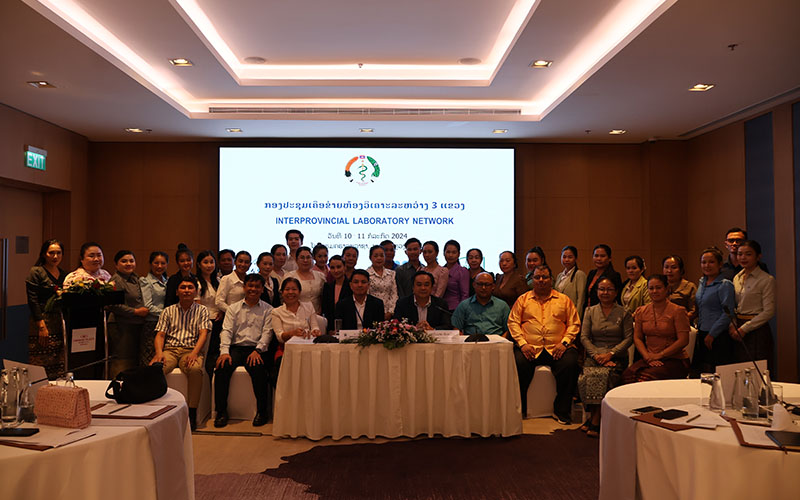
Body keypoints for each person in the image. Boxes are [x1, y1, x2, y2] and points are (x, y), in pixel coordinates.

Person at [508, 265, 581, 424]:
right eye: (537, 277)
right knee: (517, 362)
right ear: (532, 280)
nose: (541, 280)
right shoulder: (523, 299)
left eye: (545, 277)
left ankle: (561, 410)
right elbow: (513, 323)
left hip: (557, 348)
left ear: (551, 280)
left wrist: (564, 343)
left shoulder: (564, 300)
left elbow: (574, 324)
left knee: (570, 363)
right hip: (529, 348)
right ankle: (521, 408)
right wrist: (522, 344)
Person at [213, 273, 274, 428]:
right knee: (222, 368)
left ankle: (262, 412)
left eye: (257, 287)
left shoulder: (268, 309)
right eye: (250, 286)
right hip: (236, 348)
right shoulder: (233, 308)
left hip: (256, 349)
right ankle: (221, 412)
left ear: (262, 289)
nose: (253, 289)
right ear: (244, 287)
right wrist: (224, 352)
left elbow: (267, 333)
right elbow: (226, 331)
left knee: (259, 369)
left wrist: (258, 350)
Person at [150, 275, 209, 431]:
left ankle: (192, 412)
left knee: (195, 370)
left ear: (196, 291)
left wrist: (195, 353)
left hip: (191, 350)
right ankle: (158, 411)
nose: (186, 291)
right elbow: (160, 334)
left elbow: (203, 334)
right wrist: (159, 353)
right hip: (170, 350)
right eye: (183, 288)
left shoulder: (202, 310)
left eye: (190, 288)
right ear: (177, 292)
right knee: (156, 369)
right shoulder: (168, 311)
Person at [578, 277, 633, 437]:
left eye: (609, 289)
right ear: (597, 292)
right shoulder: (590, 311)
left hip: (616, 356)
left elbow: (628, 338)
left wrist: (610, 354)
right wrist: (597, 355)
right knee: (586, 377)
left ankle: (594, 419)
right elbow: (584, 337)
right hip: (594, 355)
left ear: (616, 292)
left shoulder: (624, 312)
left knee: (605, 376)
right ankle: (596, 416)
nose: (605, 293)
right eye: (601, 289)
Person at [622, 274, 690, 383]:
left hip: (675, 359)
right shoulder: (641, 311)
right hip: (649, 357)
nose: (654, 291)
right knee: (628, 375)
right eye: (651, 288)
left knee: (646, 378)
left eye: (658, 288)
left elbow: (683, 340)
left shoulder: (678, 311)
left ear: (667, 289)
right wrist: (647, 356)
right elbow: (637, 338)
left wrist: (659, 355)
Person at [730, 240, 776, 369]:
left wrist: (745, 329)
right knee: (739, 370)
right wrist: (732, 325)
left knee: (758, 370)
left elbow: (769, 311)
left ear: (758, 256)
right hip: (737, 329)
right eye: (740, 254)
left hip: (757, 330)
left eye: (748, 254)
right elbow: (733, 305)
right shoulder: (736, 278)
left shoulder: (766, 280)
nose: (743, 258)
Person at [26, 239, 66, 379]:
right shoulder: (36, 271)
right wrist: (41, 325)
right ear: (44, 254)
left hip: (60, 321)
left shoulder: (64, 274)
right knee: (41, 359)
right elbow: (32, 299)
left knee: (59, 360)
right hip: (42, 319)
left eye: (58, 253)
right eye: (51, 253)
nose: (55, 256)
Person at [692, 247, 736, 376]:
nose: (707, 265)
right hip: (702, 332)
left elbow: (727, 313)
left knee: (718, 373)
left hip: (718, 335)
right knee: (703, 372)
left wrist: (712, 334)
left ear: (720, 264)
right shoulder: (702, 282)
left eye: (711, 262)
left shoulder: (725, 284)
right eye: (703, 262)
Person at [107, 250, 149, 376]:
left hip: (136, 325)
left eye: (131, 261)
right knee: (122, 362)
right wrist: (135, 312)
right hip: (121, 326)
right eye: (124, 261)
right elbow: (113, 305)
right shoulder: (116, 280)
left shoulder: (135, 278)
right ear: (116, 264)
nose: (128, 263)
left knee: (133, 361)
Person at [272, 277, 321, 378]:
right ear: (282, 292)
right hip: (286, 349)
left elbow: (315, 326)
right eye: (287, 289)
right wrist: (291, 333)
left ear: (299, 292)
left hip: (308, 347)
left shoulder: (308, 306)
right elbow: (279, 337)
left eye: (294, 289)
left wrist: (316, 331)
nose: (291, 292)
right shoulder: (276, 312)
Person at [451, 272, 510, 336]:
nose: (483, 287)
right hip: (471, 342)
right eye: (480, 284)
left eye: (487, 284)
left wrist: (502, 342)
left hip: (497, 342)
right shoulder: (464, 305)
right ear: (474, 285)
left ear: (493, 286)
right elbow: (456, 328)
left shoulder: (502, 306)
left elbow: (509, 329)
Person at [195, 250, 223, 380]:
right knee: (206, 355)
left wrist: (222, 312)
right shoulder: (197, 282)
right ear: (199, 264)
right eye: (205, 262)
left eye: (211, 262)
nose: (209, 265)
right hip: (203, 323)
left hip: (219, 321)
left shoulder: (219, 281)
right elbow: (197, 306)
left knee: (216, 354)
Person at [140, 251, 168, 366]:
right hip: (152, 324)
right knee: (150, 358)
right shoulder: (145, 281)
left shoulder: (167, 281)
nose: (160, 266)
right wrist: (167, 314)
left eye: (163, 263)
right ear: (150, 264)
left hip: (165, 325)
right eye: (156, 263)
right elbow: (148, 306)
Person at [286, 246, 326, 314]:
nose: (305, 260)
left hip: (317, 315)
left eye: (308, 257)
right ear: (296, 259)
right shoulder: (290, 276)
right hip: (296, 315)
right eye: (302, 258)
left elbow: (323, 297)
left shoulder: (320, 276)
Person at [366, 245, 398, 319]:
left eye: (381, 255)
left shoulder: (391, 274)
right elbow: (367, 296)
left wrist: (390, 312)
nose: (379, 258)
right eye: (376, 256)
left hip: (390, 314)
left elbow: (394, 294)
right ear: (370, 257)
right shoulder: (366, 274)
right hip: (372, 312)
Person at [662, 255, 697, 321]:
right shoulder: (660, 286)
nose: (669, 271)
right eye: (666, 267)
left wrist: (678, 320)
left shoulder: (689, 286)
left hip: (683, 323)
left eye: (673, 267)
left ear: (681, 270)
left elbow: (694, 312)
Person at [554, 245, 587, 315]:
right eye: (564, 257)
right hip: (559, 313)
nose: (566, 260)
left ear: (576, 258)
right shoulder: (559, 276)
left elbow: (581, 300)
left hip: (572, 313)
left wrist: (577, 317)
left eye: (570, 257)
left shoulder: (579, 274)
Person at [216, 250, 251, 314]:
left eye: (246, 262)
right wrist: (233, 312)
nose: (243, 264)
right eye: (240, 261)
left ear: (250, 265)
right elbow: (219, 302)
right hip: (232, 317)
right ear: (235, 262)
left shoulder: (250, 280)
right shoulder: (227, 279)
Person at [321, 255, 351, 323]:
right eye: (332, 268)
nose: (336, 270)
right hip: (331, 327)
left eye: (338, 267)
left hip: (348, 327)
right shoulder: (327, 287)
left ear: (345, 267)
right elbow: (325, 310)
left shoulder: (351, 286)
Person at [443, 239, 470, 311]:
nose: (450, 255)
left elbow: (465, 295)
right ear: (444, 253)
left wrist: (461, 311)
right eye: (448, 252)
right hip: (440, 308)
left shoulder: (462, 271)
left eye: (454, 252)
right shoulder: (441, 270)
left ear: (459, 254)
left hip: (455, 309)